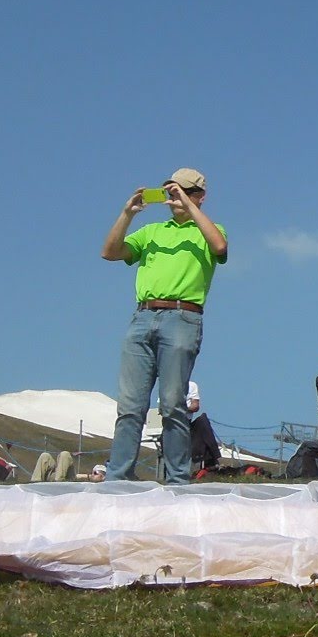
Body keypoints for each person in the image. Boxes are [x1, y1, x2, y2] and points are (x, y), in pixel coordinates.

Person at [99, 168, 228, 484]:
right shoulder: (152, 231)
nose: (174, 197)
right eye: (171, 191)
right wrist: (127, 215)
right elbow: (110, 252)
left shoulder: (210, 230)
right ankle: (118, 477)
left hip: (183, 318)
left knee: (173, 404)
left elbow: (220, 248)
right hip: (143, 317)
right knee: (130, 405)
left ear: (199, 196)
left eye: (183, 191)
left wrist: (189, 205)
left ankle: (177, 480)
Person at [187, 381, 222, 473]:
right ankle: (211, 461)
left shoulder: (191, 385)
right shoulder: (167, 385)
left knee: (203, 421)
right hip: (172, 425)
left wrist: (182, 409)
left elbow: (195, 406)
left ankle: (213, 458)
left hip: (186, 423)